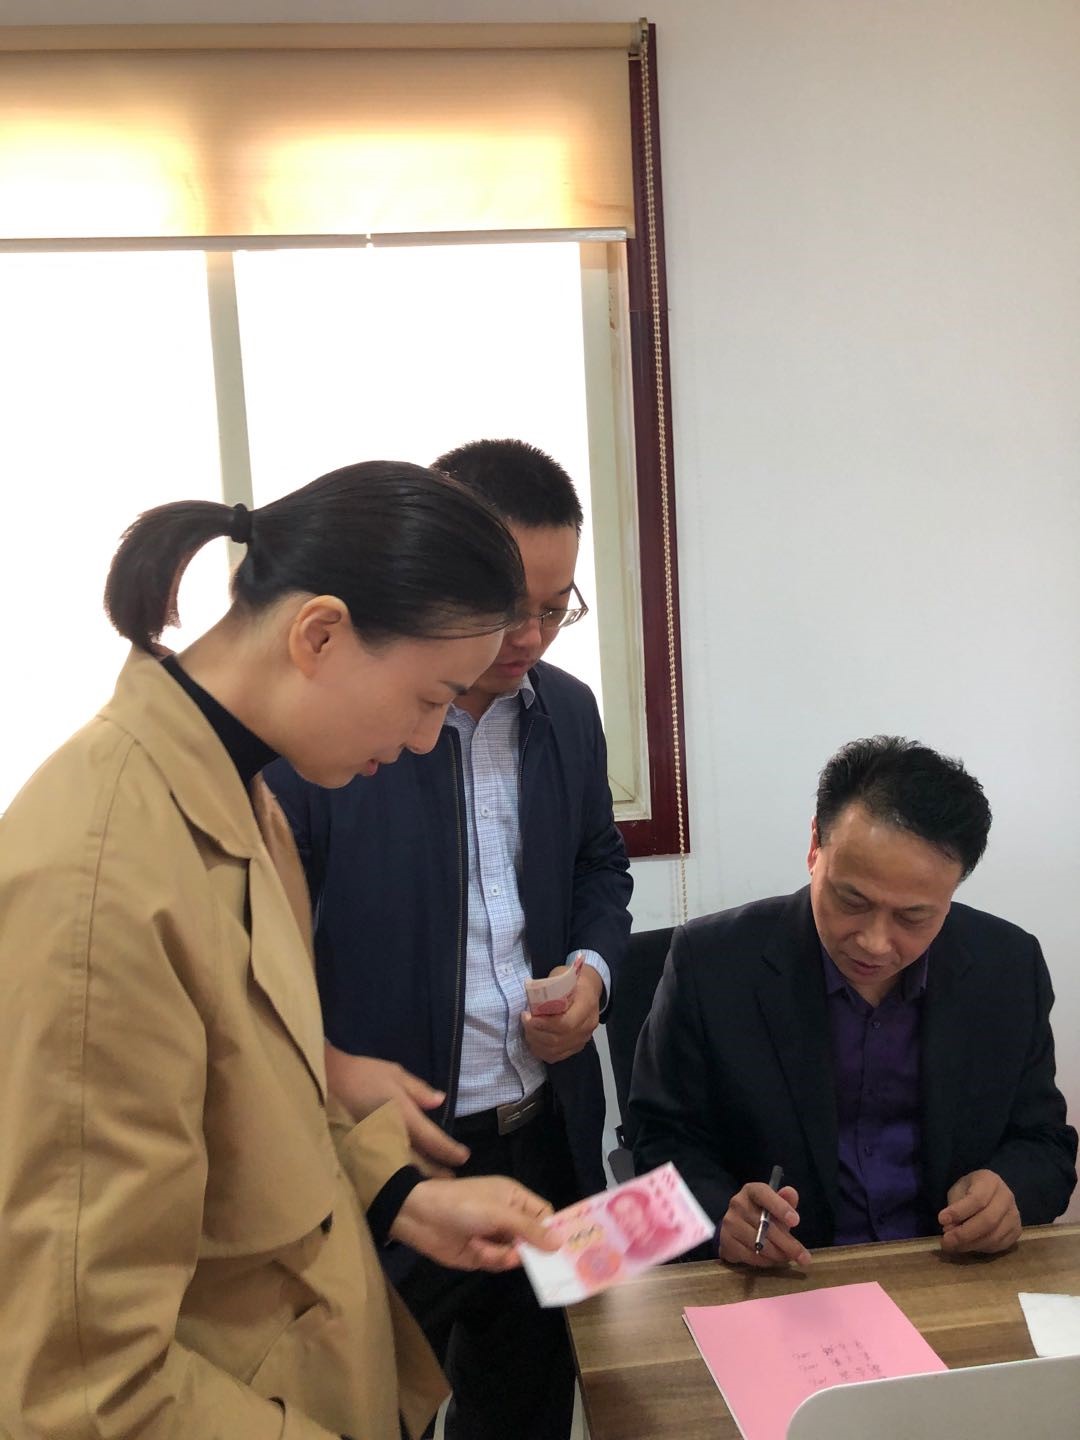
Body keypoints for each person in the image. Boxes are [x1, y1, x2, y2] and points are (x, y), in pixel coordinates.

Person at [0, 461, 567, 1440]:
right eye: (430, 697)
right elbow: (86, 1386)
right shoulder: (100, 879)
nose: (426, 741)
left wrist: (398, 1196)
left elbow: (258, 1097)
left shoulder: (239, 798)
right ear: (320, 635)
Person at [267, 438, 633, 1440]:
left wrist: (595, 973)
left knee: (530, 1405)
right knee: (368, 1404)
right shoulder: (341, 732)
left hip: (544, 1131)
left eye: (556, 607)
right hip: (391, 1150)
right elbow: (260, 966)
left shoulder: (568, 712)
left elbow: (600, 863)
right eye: (509, 604)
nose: (530, 636)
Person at [631, 736, 1077, 1268]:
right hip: (787, 1276)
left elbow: (1045, 1142)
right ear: (814, 847)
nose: (875, 943)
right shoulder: (711, 965)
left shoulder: (1007, 968)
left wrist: (1010, 1193)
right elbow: (659, 1142)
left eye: (913, 917)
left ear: (953, 890)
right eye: (852, 900)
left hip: (947, 1273)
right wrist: (719, 1217)